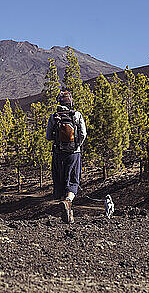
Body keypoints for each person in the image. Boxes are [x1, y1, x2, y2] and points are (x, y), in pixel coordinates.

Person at [46, 91, 87, 224]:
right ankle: (68, 202)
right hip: (73, 154)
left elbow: (48, 136)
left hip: (58, 153)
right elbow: (83, 134)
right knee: (73, 180)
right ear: (71, 102)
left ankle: (67, 213)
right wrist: (77, 145)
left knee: (61, 180)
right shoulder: (76, 115)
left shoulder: (54, 117)